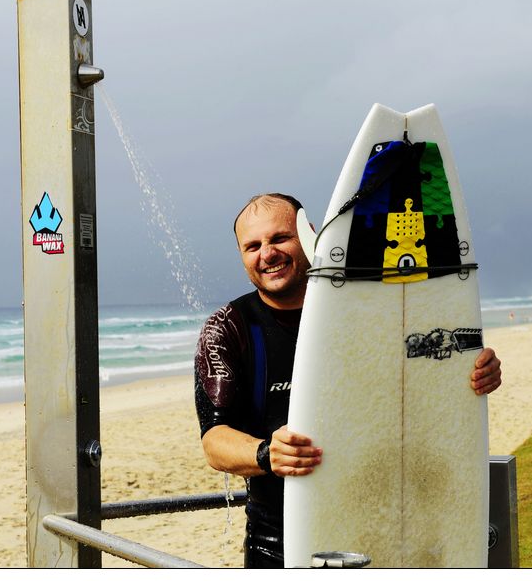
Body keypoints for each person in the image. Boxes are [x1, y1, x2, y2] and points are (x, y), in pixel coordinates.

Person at [194, 193, 502, 568]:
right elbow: (214, 441)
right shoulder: (228, 327)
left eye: (279, 239)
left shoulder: (368, 307)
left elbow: (426, 362)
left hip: (387, 523)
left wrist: (475, 371)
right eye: (252, 246)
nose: (267, 254)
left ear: (310, 236)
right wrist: (266, 453)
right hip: (280, 542)